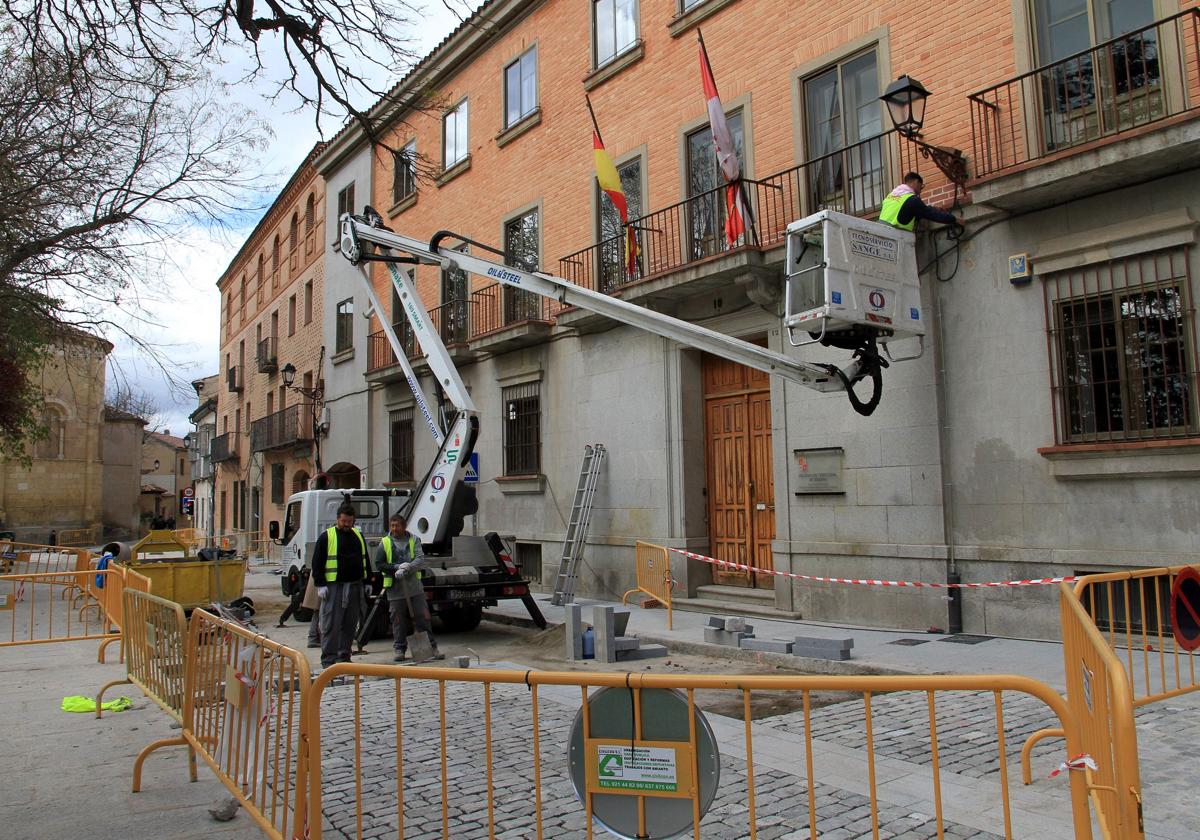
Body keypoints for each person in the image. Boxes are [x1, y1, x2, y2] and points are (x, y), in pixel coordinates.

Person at [375, 512, 443, 662]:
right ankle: (399, 649)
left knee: (423, 617)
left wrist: (407, 568)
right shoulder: (385, 543)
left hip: (414, 588)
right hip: (395, 590)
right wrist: (395, 567)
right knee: (398, 621)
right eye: (392, 526)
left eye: (397, 525)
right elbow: (379, 564)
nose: (394, 529)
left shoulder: (414, 540)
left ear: (404, 526)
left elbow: (420, 559)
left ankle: (431, 648)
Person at [310, 502, 369, 669]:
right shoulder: (327, 537)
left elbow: (365, 559)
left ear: (353, 521)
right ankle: (328, 660)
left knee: (350, 624)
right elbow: (317, 562)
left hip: (354, 586)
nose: (346, 525)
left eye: (349, 522)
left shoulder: (357, 536)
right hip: (334, 587)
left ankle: (344, 656)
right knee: (331, 624)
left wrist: (366, 581)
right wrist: (320, 584)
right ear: (338, 519)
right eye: (343, 521)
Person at [879, 172, 960, 231]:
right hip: (897, 236)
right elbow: (930, 214)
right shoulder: (913, 199)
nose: (920, 191)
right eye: (921, 187)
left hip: (881, 232)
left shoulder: (891, 196)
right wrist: (954, 219)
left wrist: (932, 208)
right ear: (916, 182)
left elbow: (906, 210)